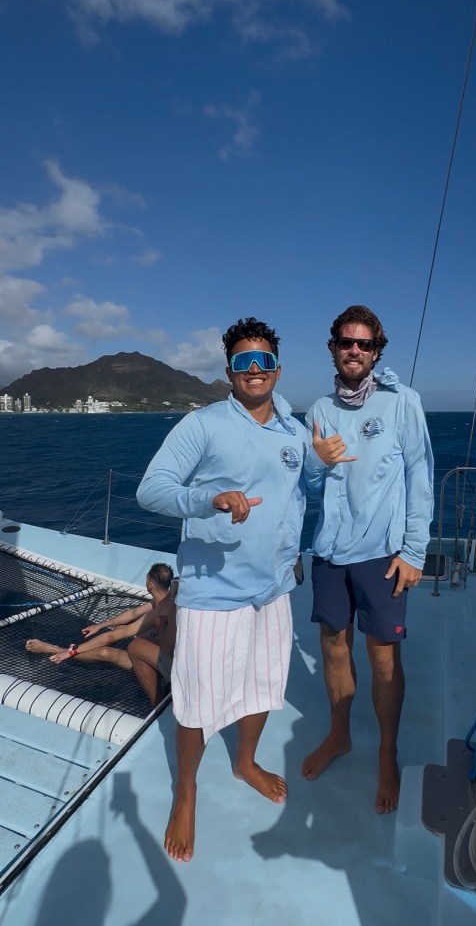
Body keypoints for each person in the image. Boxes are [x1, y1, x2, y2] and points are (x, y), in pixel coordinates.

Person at [136, 317, 305, 863]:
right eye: (242, 362)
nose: (254, 371)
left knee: (262, 685)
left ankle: (245, 762)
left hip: (273, 590)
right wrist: (209, 499)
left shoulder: (294, 432)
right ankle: (185, 792)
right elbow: (152, 490)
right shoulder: (202, 425)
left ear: (276, 368)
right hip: (214, 590)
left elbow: (304, 494)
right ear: (229, 371)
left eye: (262, 361)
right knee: (196, 700)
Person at [302, 304, 433, 814]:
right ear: (333, 347)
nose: (355, 351)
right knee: (334, 649)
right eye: (345, 342)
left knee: (383, 659)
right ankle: (339, 735)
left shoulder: (403, 403)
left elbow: (420, 477)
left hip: (383, 555)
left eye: (365, 344)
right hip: (331, 553)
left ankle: (386, 752)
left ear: (377, 351)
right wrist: (319, 461)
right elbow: (311, 487)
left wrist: (414, 552)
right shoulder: (318, 410)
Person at [25, 562, 176, 707]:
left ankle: (55, 650)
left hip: (170, 664)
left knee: (107, 651)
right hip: (164, 652)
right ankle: (88, 647)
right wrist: (100, 625)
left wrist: (74, 650)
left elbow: (112, 636)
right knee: (119, 628)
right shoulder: (166, 600)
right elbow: (133, 613)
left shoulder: (161, 609)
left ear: (150, 583)